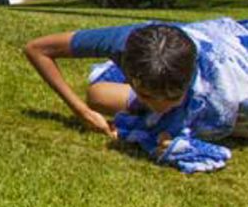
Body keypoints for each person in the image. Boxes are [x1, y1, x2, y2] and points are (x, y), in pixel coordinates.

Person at [24, 17, 248, 172]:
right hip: (171, 54)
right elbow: (37, 49)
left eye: (172, 98)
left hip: (230, 48)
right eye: (148, 96)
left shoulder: (229, 84)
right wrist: (81, 111)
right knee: (97, 96)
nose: (160, 107)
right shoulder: (124, 42)